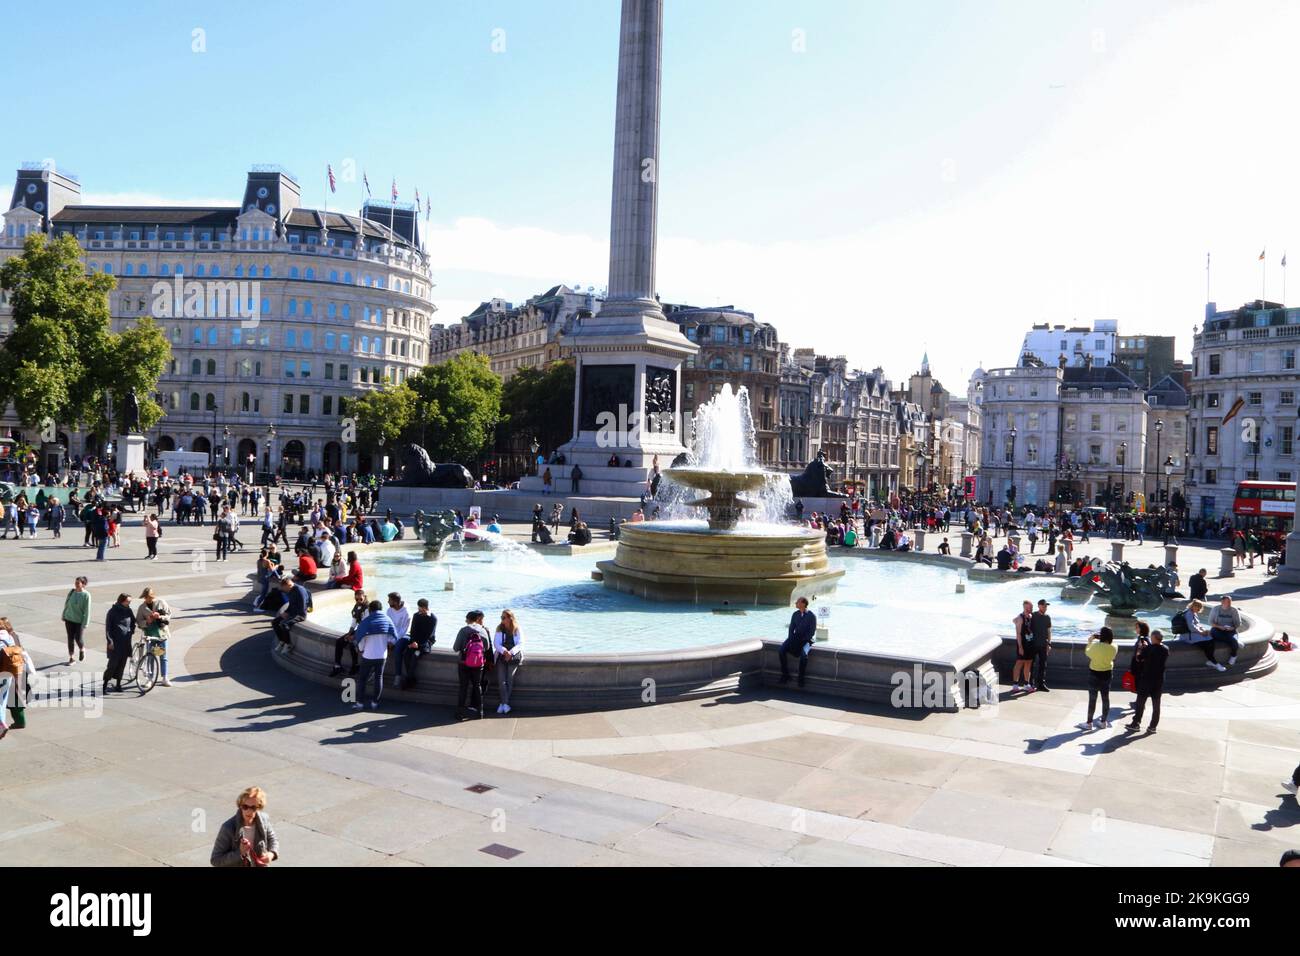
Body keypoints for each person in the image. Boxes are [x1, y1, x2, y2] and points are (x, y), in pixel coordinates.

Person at [210, 786, 280, 867]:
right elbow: (216, 860)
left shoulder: (264, 820)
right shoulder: (228, 827)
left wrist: (271, 854)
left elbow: (273, 839)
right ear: (240, 806)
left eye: (253, 808)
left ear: (259, 807)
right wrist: (240, 852)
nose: (249, 811)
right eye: (245, 807)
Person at [351, 600, 396, 709]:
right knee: (378, 678)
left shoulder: (366, 622)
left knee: (362, 679)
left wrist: (361, 650)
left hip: (368, 655)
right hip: (382, 656)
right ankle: (375, 703)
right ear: (380, 609)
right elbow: (393, 637)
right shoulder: (387, 620)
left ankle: (360, 703)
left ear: (370, 610)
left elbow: (360, 639)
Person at [1126, 629, 1168, 734]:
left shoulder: (1149, 649)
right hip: (1159, 680)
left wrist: (1141, 648)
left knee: (1140, 702)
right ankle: (1152, 726)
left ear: (1153, 638)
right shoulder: (1166, 649)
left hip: (1147, 679)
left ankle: (1136, 723)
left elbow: (1138, 658)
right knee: (1156, 704)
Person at [454, 610, 492, 719]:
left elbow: (456, 648)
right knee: (477, 686)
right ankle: (480, 712)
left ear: (469, 620)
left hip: (464, 663)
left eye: (466, 619)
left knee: (463, 687)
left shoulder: (463, 630)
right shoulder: (483, 631)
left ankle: (460, 713)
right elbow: (487, 647)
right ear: (477, 619)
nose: (465, 621)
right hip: (478, 664)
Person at [1080, 626, 1117, 730]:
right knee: (1105, 698)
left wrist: (1090, 640)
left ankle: (1089, 723)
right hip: (1107, 674)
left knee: (1092, 699)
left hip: (1094, 674)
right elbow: (1111, 649)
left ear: (1101, 636)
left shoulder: (1095, 646)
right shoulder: (1114, 647)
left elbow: (1087, 652)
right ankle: (1104, 721)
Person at [137, 587, 174, 687]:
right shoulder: (142, 608)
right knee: (150, 657)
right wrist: (146, 622)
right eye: (146, 597)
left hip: (161, 634)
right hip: (150, 635)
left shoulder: (161, 602)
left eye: (149, 597)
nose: (148, 599)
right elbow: (139, 622)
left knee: (163, 657)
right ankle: (150, 679)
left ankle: (165, 677)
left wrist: (160, 617)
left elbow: (169, 614)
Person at [329, 589, 368, 678]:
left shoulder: (368, 608)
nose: (358, 601)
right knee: (339, 641)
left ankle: (355, 665)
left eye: (360, 599)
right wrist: (349, 633)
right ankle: (337, 666)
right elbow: (354, 622)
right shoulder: (356, 606)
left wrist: (354, 636)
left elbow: (365, 625)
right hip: (359, 630)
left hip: (366, 631)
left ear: (364, 597)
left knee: (352, 643)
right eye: (356, 599)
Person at [779, 597, 817, 688]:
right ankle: (785, 675)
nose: (795, 603)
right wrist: (791, 639)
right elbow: (791, 628)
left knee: (804, 655)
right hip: (794, 638)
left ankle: (801, 679)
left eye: (797, 602)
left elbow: (812, 632)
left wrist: (802, 641)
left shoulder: (812, 616)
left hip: (806, 640)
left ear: (803, 604)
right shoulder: (795, 614)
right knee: (781, 650)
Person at [103, 593, 136, 693]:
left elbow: (133, 622)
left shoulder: (128, 610)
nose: (129, 603)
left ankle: (118, 685)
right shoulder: (112, 612)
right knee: (112, 665)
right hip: (115, 644)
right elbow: (108, 629)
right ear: (122, 601)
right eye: (128, 601)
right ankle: (104, 685)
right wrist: (110, 641)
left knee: (122, 665)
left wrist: (131, 631)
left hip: (125, 643)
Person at [493, 609, 523, 714]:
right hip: (501, 656)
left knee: (510, 679)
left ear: (510, 618)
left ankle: (503, 704)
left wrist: (511, 653)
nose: (502, 619)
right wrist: (504, 651)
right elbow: (496, 643)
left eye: (503, 617)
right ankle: (505, 704)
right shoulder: (499, 629)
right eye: (501, 617)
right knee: (501, 681)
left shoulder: (517, 629)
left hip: (513, 657)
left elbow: (520, 643)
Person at [271, 578, 309, 653]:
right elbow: (291, 604)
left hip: (300, 614)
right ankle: (282, 641)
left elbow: (302, 607)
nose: (284, 591)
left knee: (284, 624)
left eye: (284, 589)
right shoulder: (290, 590)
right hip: (292, 612)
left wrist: (289, 614)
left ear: (288, 585)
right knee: (275, 622)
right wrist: (286, 612)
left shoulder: (300, 591)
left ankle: (288, 644)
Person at [62, 575, 92, 665]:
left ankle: (82, 649)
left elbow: (87, 610)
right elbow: (67, 604)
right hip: (69, 619)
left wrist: (85, 623)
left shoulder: (86, 595)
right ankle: (71, 658)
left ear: (83, 584)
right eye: (75, 582)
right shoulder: (72, 592)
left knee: (78, 639)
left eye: (78, 583)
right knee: (70, 638)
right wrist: (64, 614)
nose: (76, 584)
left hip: (79, 621)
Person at [386, 592, 413, 686]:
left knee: (397, 647)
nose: (388, 602)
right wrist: (388, 640)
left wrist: (393, 641)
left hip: (405, 635)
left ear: (395, 602)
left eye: (390, 600)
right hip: (391, 635)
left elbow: (404, 631)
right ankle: (375, 672)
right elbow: (387, 626)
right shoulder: (389, 610)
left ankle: (398, 676)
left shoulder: (406, 612)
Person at [1208, 595, 1242, 667]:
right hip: (1217, 629)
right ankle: (1235, 641)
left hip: (1230, 630)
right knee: (1230, 639)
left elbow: (1238, 623)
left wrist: (1233, 628)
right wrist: (1219, 627)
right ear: (1222, 602)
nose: (1230, 603)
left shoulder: (1234, 610)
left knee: (1230, 638)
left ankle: (1233, 655)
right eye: (1228, 601)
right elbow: (1210, 622)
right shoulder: (1215, 609)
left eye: (1230, 601)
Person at [1011, 600, 1035, 692]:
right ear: (1025, 608)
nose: (1032, 609)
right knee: (1019, 663)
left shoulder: (1030, 616)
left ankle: (1026, 684)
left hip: (1030, 644)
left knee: (1028, 663)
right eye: (1030, 607)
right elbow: (1018, 634)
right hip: (1022, 644)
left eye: (1032, 607)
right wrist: (1020, 647)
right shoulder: (1020, 618)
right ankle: (1015, 685)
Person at [1030, 598, 1052, 692]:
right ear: (1039, 606)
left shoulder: (1047, 617)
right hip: (1033, 644)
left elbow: (1049, 631)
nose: (1045, 607)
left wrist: (1049, 644)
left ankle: (1041, 684)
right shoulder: (1033, 615)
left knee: (1043, 665)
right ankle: (1030, 683)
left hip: (1043, 644)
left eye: (1046, 605)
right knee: (1031, 664)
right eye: (1043, 605)